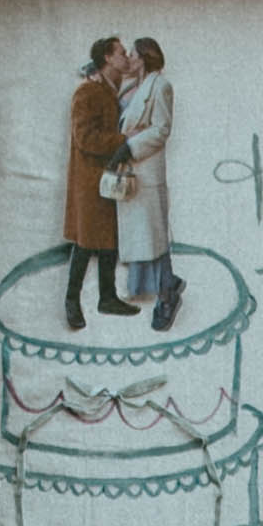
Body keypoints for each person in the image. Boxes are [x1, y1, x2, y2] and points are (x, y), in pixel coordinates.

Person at [52, 36, 129, 330]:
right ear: (107, 58)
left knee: (108, 239)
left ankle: (107, 298)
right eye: (122, 53)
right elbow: (84, 139)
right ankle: (72, 302)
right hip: (89, 181)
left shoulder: (108, 89)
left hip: (105, 177)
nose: (126, 58)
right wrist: (123, 140)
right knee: (85, 244)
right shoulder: (87, 92)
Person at [113, 35, 182, 322]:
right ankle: (159, 287)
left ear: (143, 57)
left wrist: (129, 147)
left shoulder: (161, 85)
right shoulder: (132, 86)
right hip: (132, 172)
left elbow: (162, 129)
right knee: (142, 237)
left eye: (131, 53)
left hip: (147, 170)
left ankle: (168, 294)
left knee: (154, 236)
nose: (128, 58)